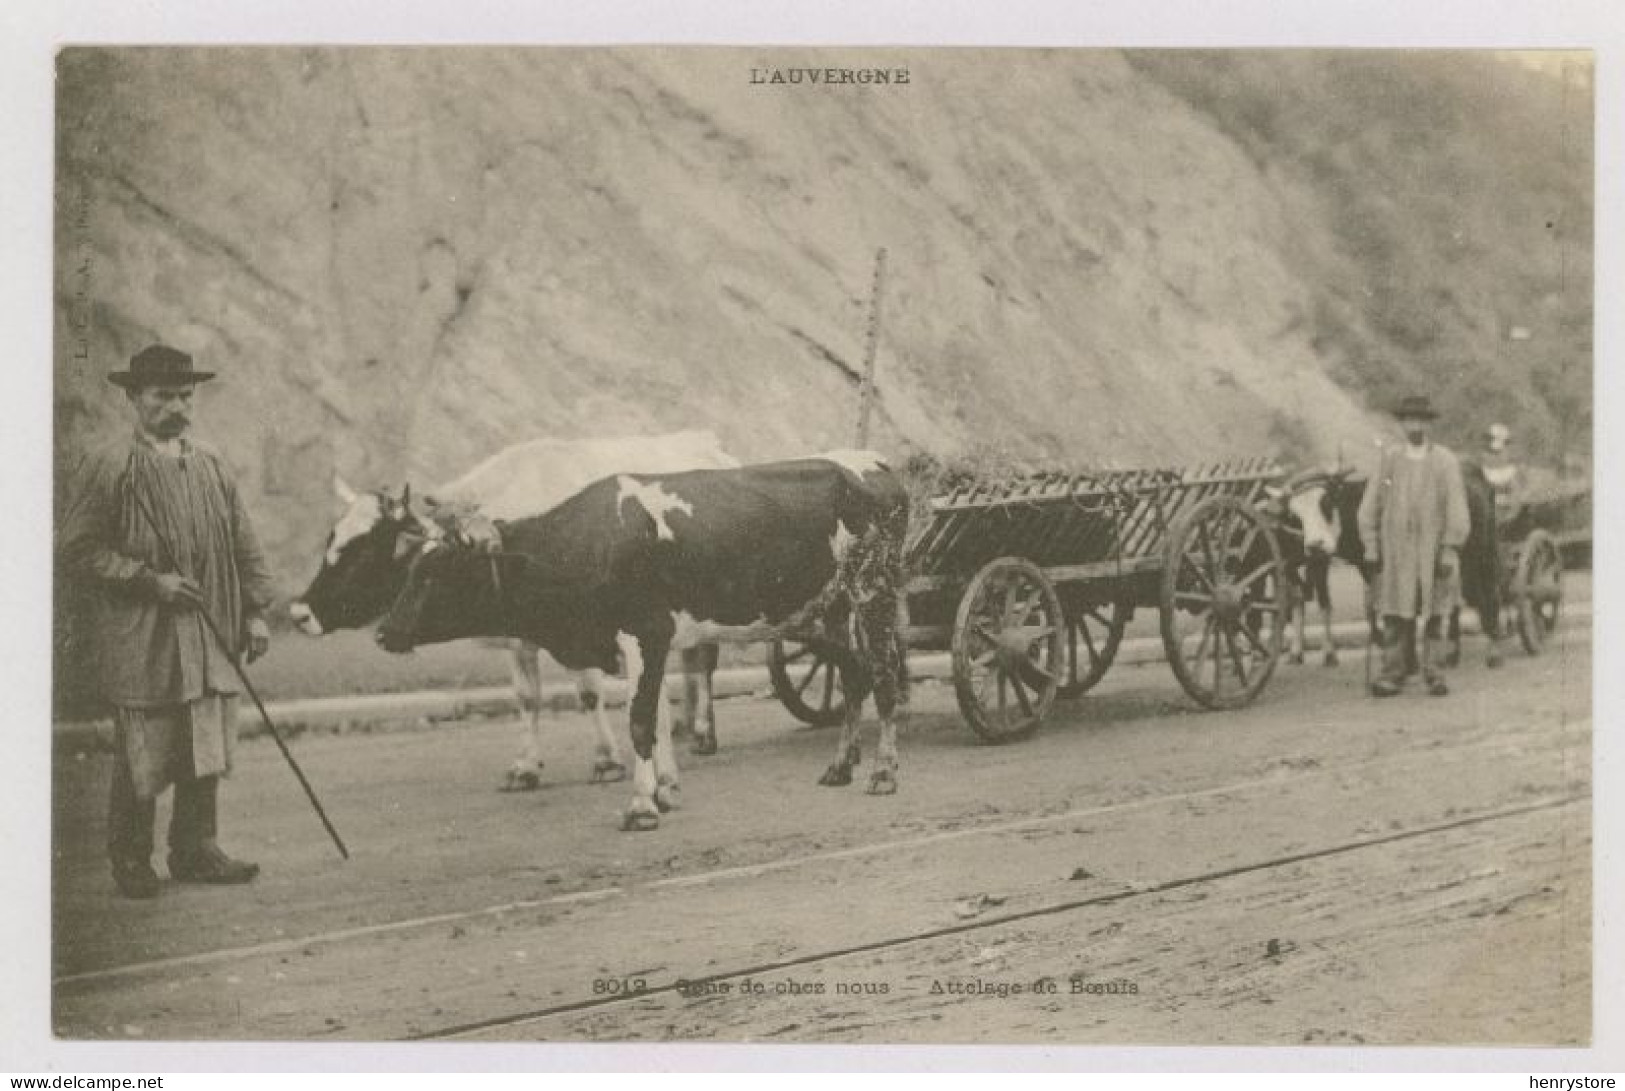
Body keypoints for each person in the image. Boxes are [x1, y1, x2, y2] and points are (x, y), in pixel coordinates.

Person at [59, 345, 276, 898]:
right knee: (145, 745)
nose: (177, 406)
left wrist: (255, 612)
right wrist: (149, 581)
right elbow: (77, 551)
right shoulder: (111, 465)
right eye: (162, 395)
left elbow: (243, 543)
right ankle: (131, 859)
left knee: (204, 737)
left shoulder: (209, 463)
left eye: (185, 395)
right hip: (145, 634)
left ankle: (196, 850)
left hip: (210, 629)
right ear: (134, 398)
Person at [1357, 394, 1471, 698]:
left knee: (1436, 613)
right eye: (1408, 420)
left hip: (1433, 551)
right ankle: (1392, 673)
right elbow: (1371, 505)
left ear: (1428, 424)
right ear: (1402, 424)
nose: (1414, 425)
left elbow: (1457, 508)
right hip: (1397, 551)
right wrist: (1370, 545)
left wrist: (1449, 546)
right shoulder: (1390, 460)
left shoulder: (1444, 461)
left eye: (1419, 420)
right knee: (1394, 612)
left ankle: (1435, 672)